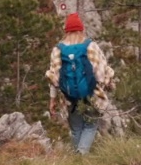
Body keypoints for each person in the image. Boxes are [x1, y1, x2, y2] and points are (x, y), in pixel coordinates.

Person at [46, 13, 115, 155]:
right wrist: (108, 84)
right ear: (81, 30)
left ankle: (77, 159)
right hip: (92, 96)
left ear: (66, 31)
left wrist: (52, 99)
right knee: (90, 127)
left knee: (76, 129)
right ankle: (81, 156)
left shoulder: (57, 50)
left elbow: (54, 78)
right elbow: (101, 74)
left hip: (69, 99)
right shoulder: (91, 47)